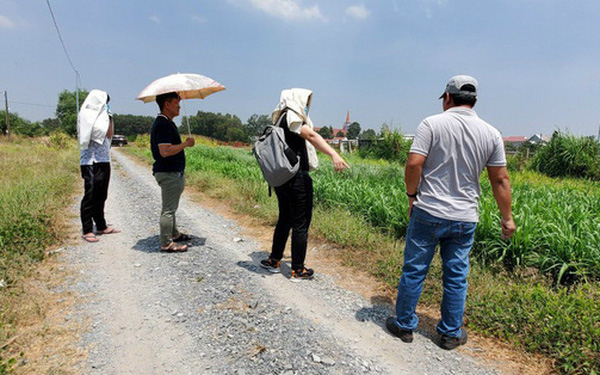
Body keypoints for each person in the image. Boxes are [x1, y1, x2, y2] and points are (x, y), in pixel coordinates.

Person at [386, 75, 516, 350]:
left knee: (414, 269)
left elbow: (413, 164)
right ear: (475, 100)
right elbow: (501, 180)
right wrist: (507, 218)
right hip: (465, 216)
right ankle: (449, 333)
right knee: (456, 274)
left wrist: (412, 195)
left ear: (447, 97)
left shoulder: (431, 124)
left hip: (428, 211)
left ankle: (405, 325)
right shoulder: (491, 133)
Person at [260, 88, 350, 281]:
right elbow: (311, 136)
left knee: (285, 218)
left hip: (283, 179)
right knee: (301, 223)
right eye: (306, 102)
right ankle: (298, 269)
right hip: (296, 177)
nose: (307, 106)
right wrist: (334, 154)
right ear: (297, 100)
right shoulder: (292, 116)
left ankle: (274, 260)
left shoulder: (280, 118)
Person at [150, 92, 195, 252]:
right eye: (177, 103)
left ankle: (174, 234)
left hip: (172, 172)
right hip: (168, 173)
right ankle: (166, 242)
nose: (179, 106)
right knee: (168, 209)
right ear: (167, 104)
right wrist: (185, 144)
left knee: (171, 206)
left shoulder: (166, 123)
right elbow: (165, 151)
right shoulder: (163, 124)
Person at [79, 91, 121, 243]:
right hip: (90, 161)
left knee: (102, 194)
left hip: (103, 159)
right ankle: (87, 229)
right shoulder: (86, 114)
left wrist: (109, 116)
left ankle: (101, 225)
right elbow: (91, 134)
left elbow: (109, 134)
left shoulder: (105, 116)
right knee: (90, 194)